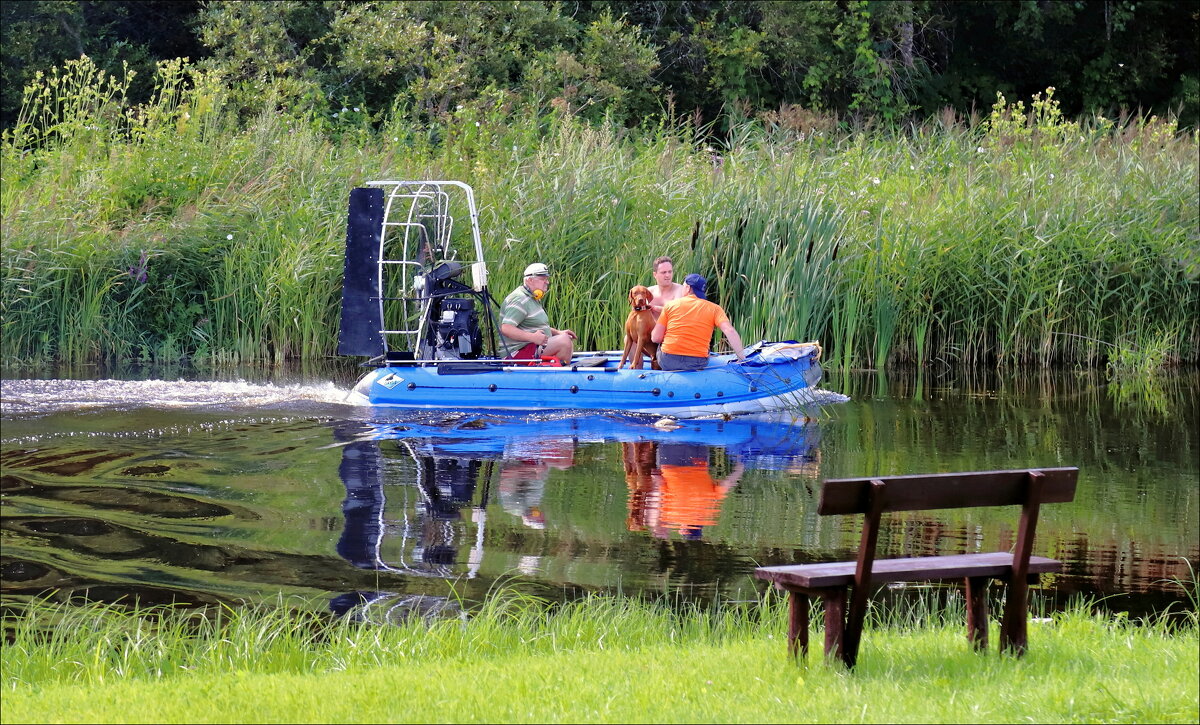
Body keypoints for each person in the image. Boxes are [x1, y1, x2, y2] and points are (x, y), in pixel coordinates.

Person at [651, 273, 746, 371]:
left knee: (660, 343)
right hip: (697, 362)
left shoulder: (670, 306)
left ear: (687, 288)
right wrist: (742, 359)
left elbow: (656, 338)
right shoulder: (715, 309)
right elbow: (730, 331)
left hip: (668, 361)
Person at [499, 262, 576, 361]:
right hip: (516, 353)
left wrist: (558, 332)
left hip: (530, 347)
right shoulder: (519, 299)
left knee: (564, 337)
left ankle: (556, 369)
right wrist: (532, 337)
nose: (547, 282)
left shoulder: (532, 298)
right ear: (530, 280)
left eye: (547, 279)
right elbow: (506, 328)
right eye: (543, 279)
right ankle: (561, 373)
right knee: (564, 341)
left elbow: (534, 326)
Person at [647, 256, 685, 322]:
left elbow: (676, 311)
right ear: (655, 275)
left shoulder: (680, 290)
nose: (667, 275)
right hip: (650, 330)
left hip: (672, 330)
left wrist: (654, 308)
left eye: (670, 272)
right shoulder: (649, 291)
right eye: (663, 272)